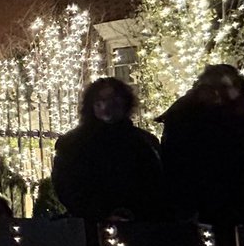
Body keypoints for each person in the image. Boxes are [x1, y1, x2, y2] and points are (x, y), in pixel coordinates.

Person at [159, 63, 244, 226]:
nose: (221, 93)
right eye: (215, 87)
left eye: (227, 86)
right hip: (224, 210)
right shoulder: (191, 121)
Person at [51, 77, 168, 222]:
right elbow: (66, 186)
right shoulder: (72, 143)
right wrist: (98, 214)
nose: (107, 106)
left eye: (115, 100)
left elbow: (154, 184)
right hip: (91, 226)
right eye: (100, 100)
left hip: (137, 225)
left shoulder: (143, 142)